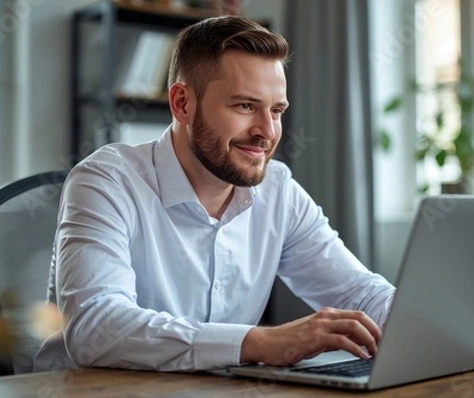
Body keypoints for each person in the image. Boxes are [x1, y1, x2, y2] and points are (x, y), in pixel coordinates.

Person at [33, 15, 395, 372]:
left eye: (277, 110)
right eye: (245, 106)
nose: (267, 132)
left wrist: (432, 322)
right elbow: (96, 328)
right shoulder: (106, 181)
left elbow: (358, 294)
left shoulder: (278, 190)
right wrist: (261, 342)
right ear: (182, 104)